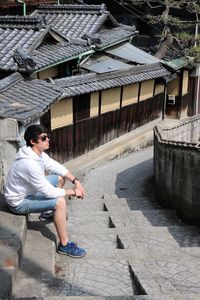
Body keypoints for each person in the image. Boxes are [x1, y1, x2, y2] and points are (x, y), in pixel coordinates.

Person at [4, 124, 86, 258]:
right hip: (18, 202)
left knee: (60, 178)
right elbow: (48, 192)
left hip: (30, 191)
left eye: (47, 136)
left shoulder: (36, 153)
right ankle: (64, 245)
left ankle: (48, 212)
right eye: (43, 138)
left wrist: (76, 181)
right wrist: (73, 192)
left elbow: (56, 166)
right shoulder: (29, 163)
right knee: (60, 202)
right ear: (33, 141)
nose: (48, 139)